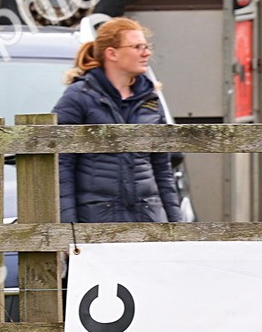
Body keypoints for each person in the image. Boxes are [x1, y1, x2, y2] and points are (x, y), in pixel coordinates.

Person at [53, 17, 183, 223]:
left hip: (147, 219)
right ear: (111, 53)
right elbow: (61, 167)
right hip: (96, 221)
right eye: (137, 47)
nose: (146, 52)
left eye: (146, 46)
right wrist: (68, 228)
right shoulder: (78, 96)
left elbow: (162, 168)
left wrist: (177, 224)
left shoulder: (150, 99)